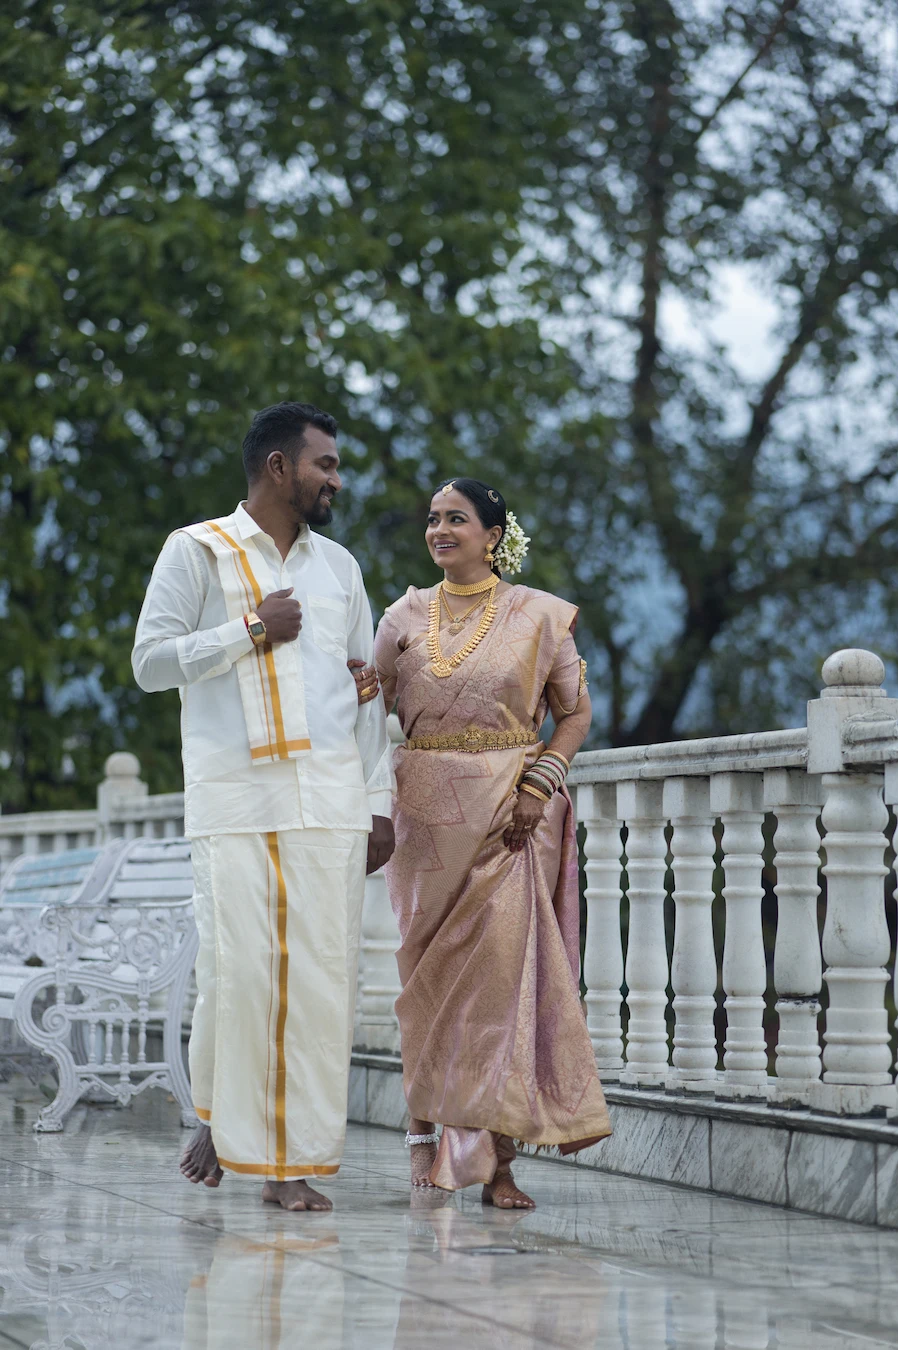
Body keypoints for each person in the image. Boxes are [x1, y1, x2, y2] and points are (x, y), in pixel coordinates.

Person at [132, 401, 394, 1212]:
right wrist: (249, 628)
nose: (336, 481)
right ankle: (225, 1119)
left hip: (329, 800)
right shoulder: (196, 551)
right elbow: (149, 663)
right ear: (278, 467)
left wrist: (378, 799)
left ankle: (290, 1164)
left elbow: (366, 692)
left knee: (319, 985)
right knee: (238, 978)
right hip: (236, 799)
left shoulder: (340, 568)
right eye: (325, 465)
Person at [372, 477, 611, 1209]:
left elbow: (575, 713)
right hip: (425, 828)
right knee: (427, 986)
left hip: (511, 817)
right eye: (434, 519)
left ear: (493, 535)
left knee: (502, 990)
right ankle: (423, 1139)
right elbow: (361, 701)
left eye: (458, 519)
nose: (441, 530)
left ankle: (499, 1163)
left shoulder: (540, 616)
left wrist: (542, 784)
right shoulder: (402, 615)